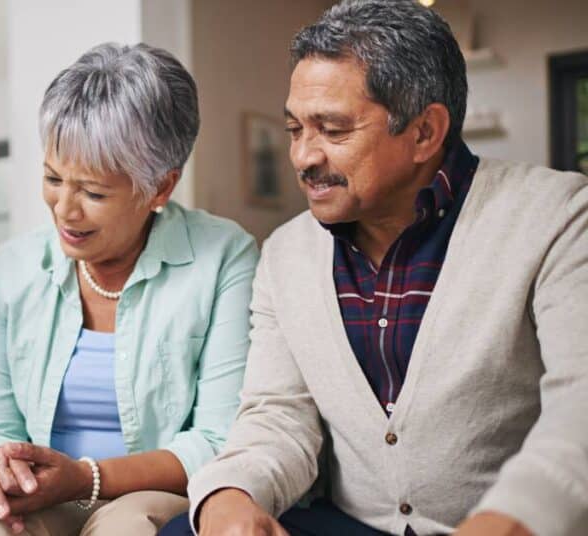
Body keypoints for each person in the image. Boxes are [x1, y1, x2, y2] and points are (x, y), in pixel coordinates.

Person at [163, 1, 588, 535]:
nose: (302, 156)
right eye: (295, 128)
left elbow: (580, 409)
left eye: (333, 129)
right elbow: (278, 416)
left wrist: (513, 519)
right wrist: (230, 497)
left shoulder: (558, 216)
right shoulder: (285, 253)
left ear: (424, 133)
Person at [0, 42, 259, 535]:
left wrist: (84, 478)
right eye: (53, 178)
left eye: (92, 192)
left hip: (152, 493)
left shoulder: (224, 258)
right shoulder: (10, 270)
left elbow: (222, 438)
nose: (64, 209)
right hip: (41, 490)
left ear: (160, 187)